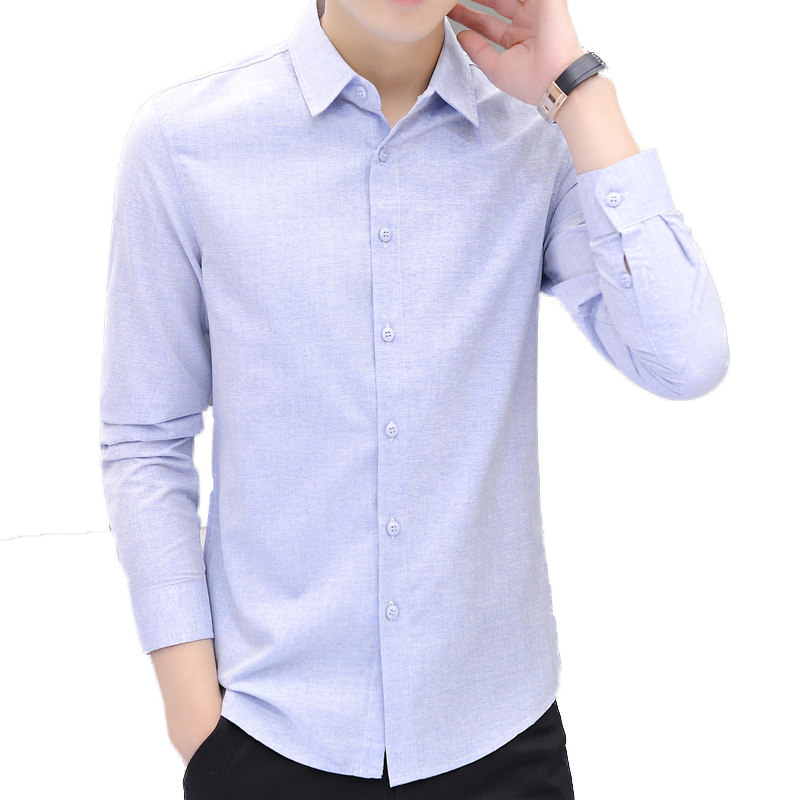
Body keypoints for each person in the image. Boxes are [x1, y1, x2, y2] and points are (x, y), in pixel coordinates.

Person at [98, 0, 730, 797]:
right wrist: (197, 721)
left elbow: (685, 359)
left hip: (500, 736)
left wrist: (579, 89)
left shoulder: (538, 134)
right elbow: (145, 439)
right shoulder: (184, 141)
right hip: (272, 735)